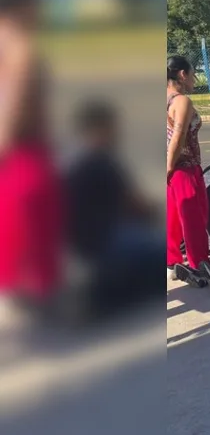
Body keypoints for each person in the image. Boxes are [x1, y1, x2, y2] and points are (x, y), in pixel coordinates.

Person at [63, 100, 165, 316]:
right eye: (112, 126)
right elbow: (135, 204)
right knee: (156, 251)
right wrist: (152, 211)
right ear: (100, 128)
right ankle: (110, 299)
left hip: (80, 238)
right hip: (104, 237)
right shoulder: (102, 161)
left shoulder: (73, 160)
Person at [0, 0, 65, 308]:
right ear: (22, 5)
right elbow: (13, 104)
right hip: (23, 153)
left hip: (16, 153)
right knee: (34, 234)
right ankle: (38, 302)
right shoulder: (21, 47)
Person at [167, 54, 210, 284]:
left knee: (173, 218)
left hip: (173, 167)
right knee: (194, 217)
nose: (194, 80)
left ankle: (171, 262)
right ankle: (199, 264)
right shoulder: (182, 101)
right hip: (183, 167)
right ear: (182, 75)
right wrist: (169, 166)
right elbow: (179, 136)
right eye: (193, 75)